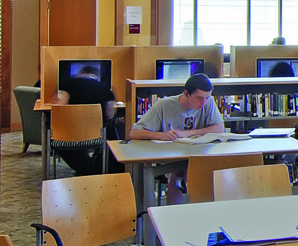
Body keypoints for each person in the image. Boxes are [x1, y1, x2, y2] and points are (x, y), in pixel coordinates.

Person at [128, 74, 225, 202]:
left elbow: (219, 128)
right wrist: (161, 135)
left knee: (199, 169)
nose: (203, 103)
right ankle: (172, 211)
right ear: (186, 93)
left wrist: (188, 133)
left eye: (207, 98)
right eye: (199, 98)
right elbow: (134, 133)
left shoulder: (208, 102)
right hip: (170, 156)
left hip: (198, 154)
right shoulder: (163, 105)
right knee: (181, 170)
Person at [53, 63, 118, 174]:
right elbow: (110, 115)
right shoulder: (105, 88)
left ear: (80, 74)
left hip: (68, 135)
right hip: (95, 136)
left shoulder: (70, 84)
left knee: (53, 135)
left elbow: (61, 109)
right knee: (112, 127)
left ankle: (85, 168)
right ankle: (95, 166)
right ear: (96, 76)